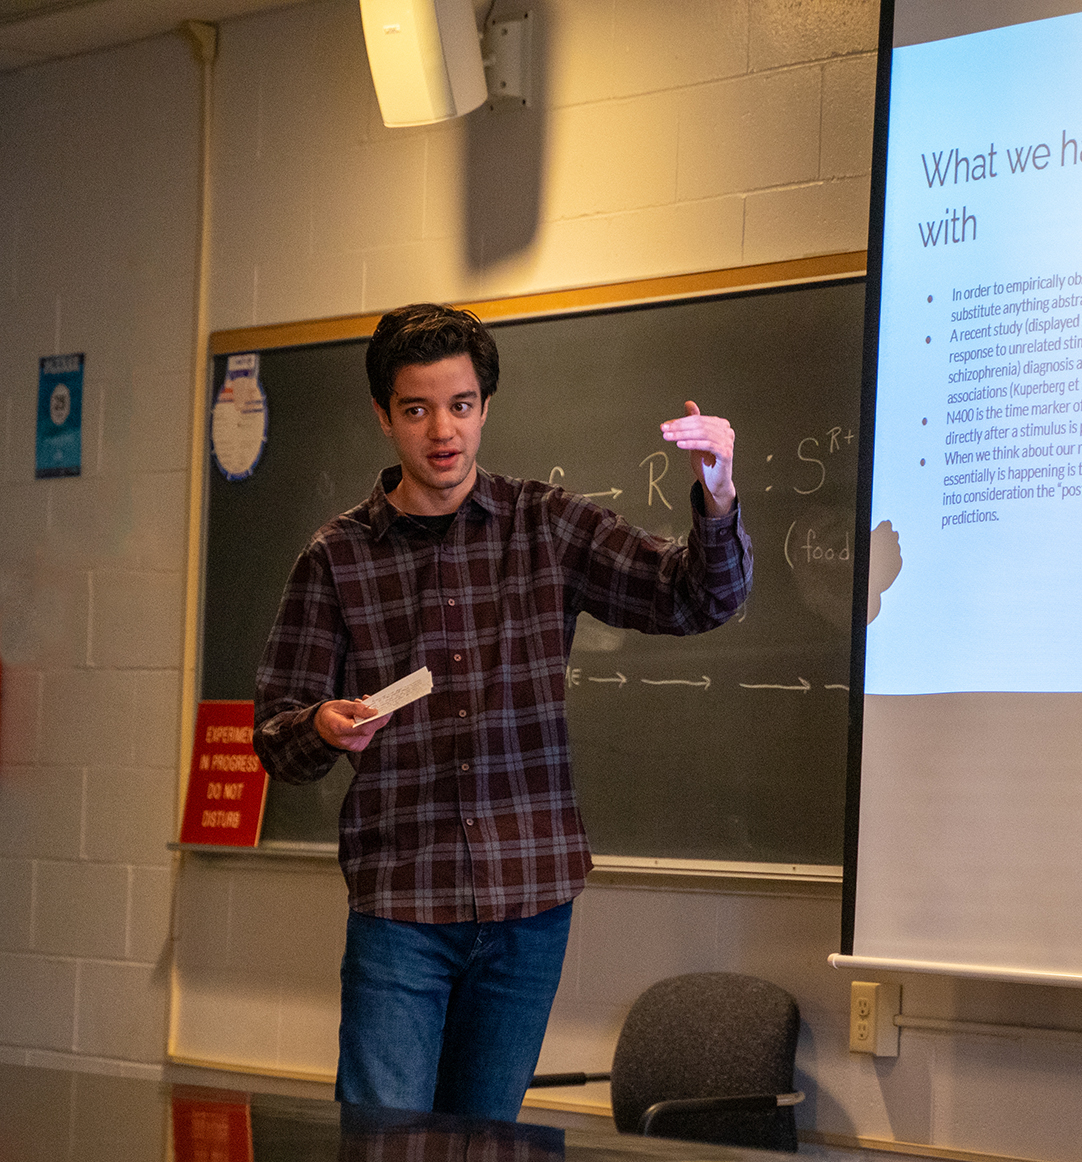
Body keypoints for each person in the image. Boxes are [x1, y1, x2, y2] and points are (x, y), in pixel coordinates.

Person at [253, 303, 752, 1121]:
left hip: (527, 901)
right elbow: (277, 735)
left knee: (485, 1141)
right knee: (383, 1139)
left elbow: (699, 598)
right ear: (384, 417)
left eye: (460, 405)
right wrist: (320, 726)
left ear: (484, 407)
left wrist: (720, 492)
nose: (442, 431)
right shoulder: (336, 556)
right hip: (402, 902)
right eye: (416, 409)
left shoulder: (547, 525)